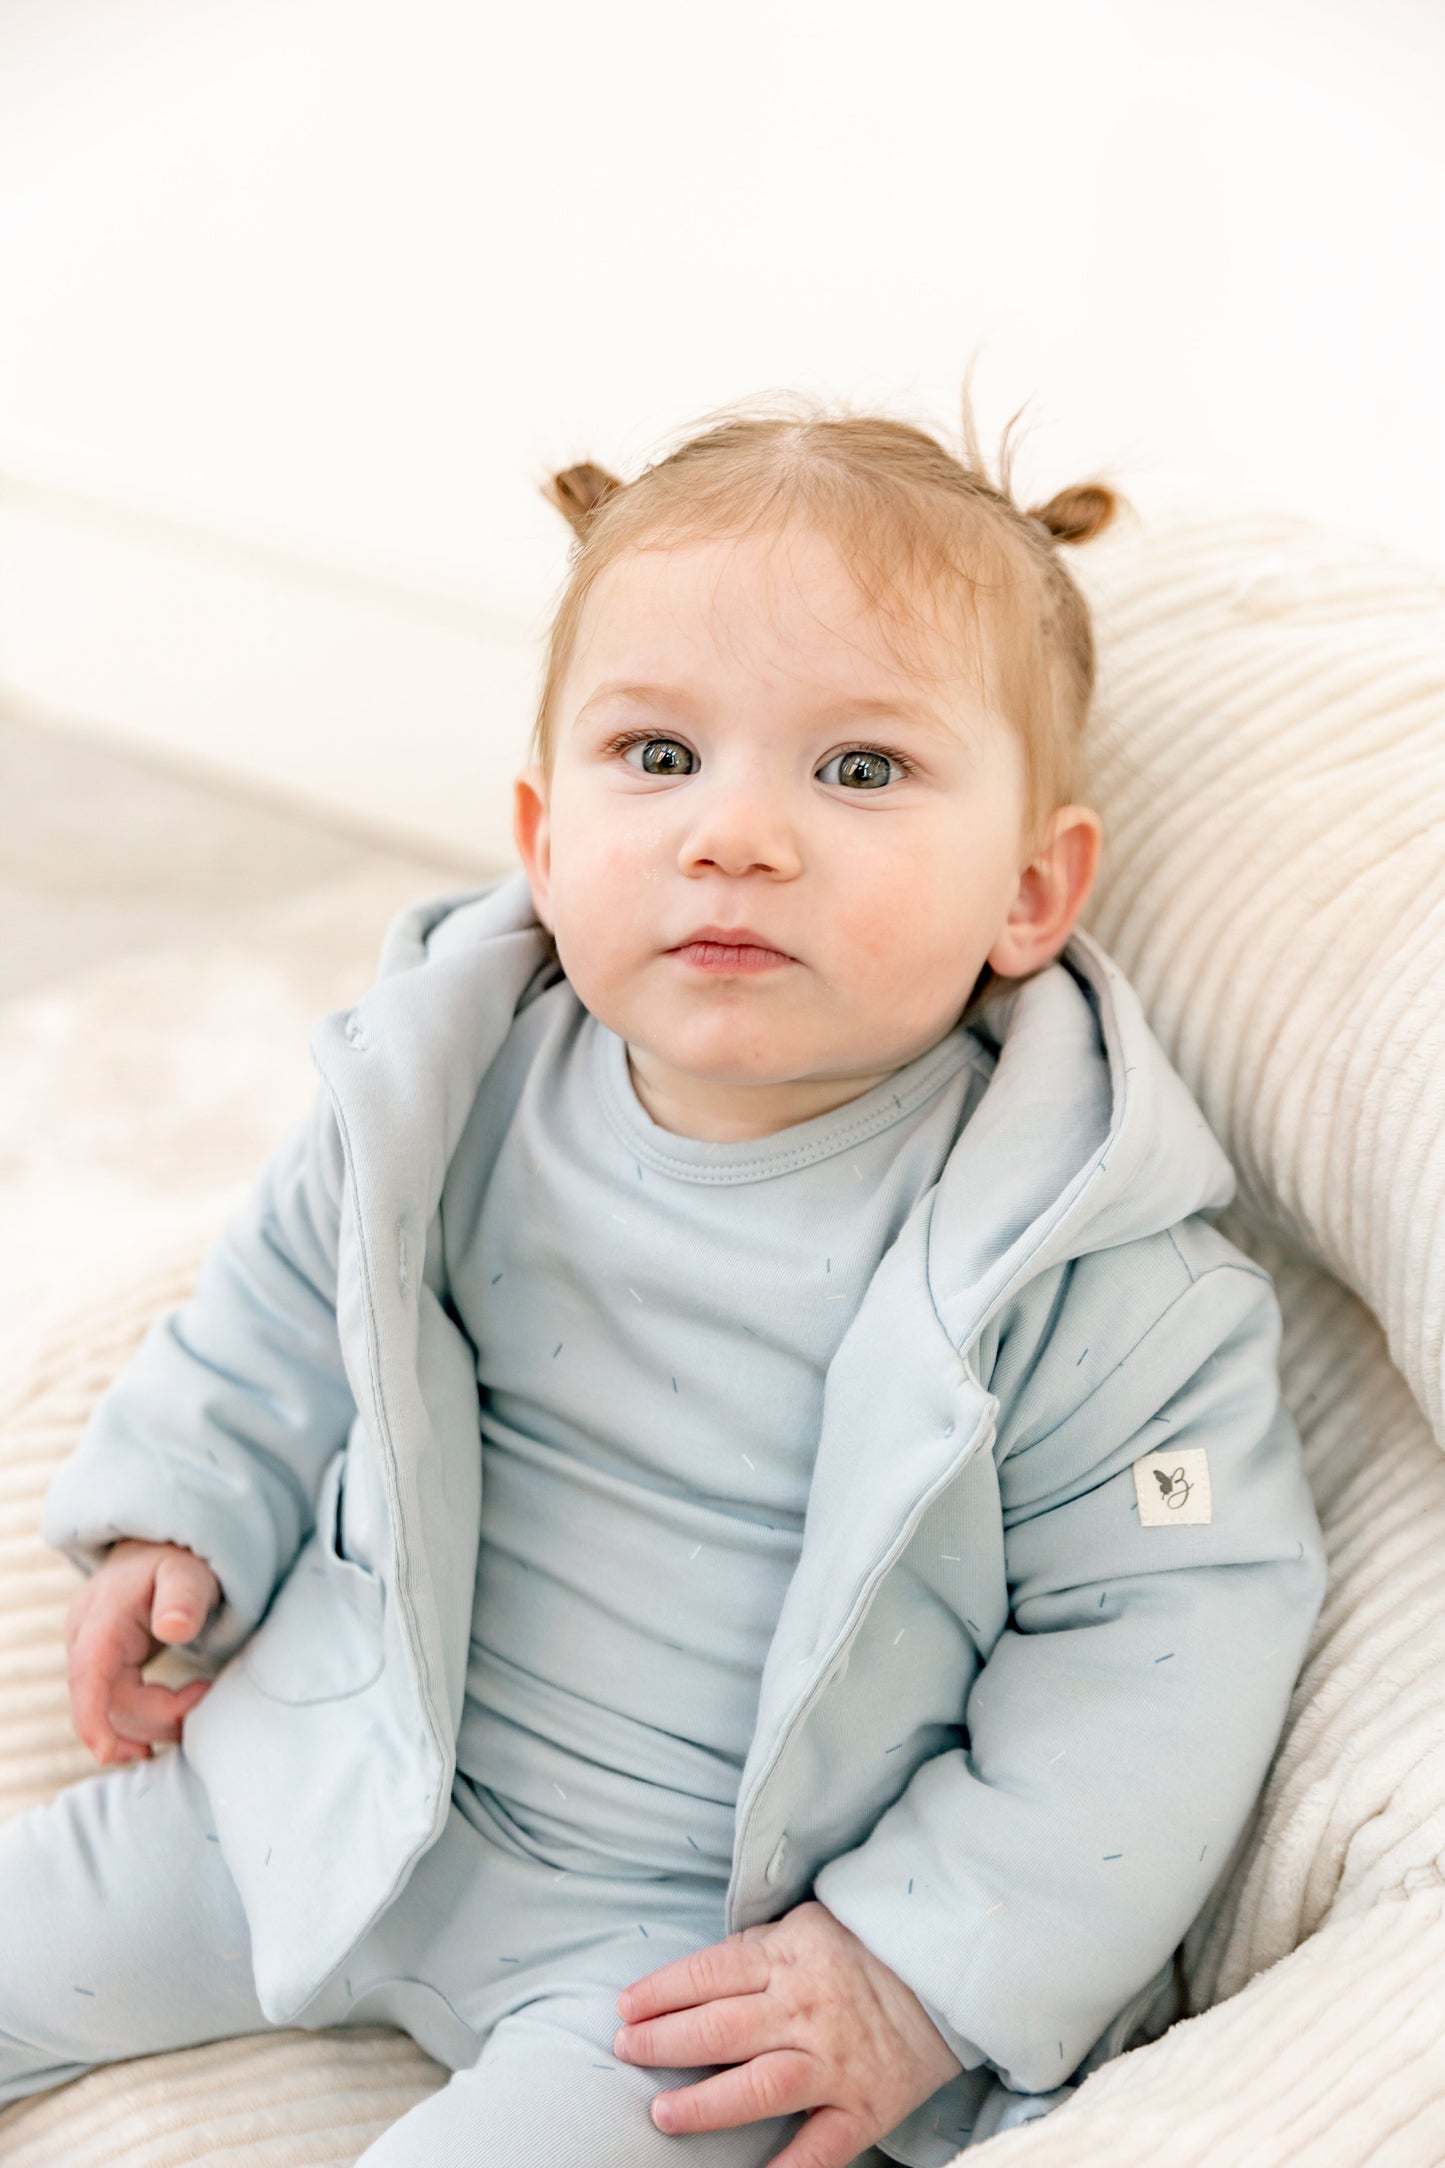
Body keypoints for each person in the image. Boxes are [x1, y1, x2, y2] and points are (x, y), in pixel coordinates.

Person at [0, 390, 1327, 2167]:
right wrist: (188, 1507)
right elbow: (283, 1303)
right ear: (543, 838)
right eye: (656, 757)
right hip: (313, 1780)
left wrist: (916, 1965)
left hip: (683, 1959)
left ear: (1030, 890)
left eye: (857, 770)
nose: (734, 835)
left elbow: (1165, 1650)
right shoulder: (440, 1086)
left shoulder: (1085, 1274)